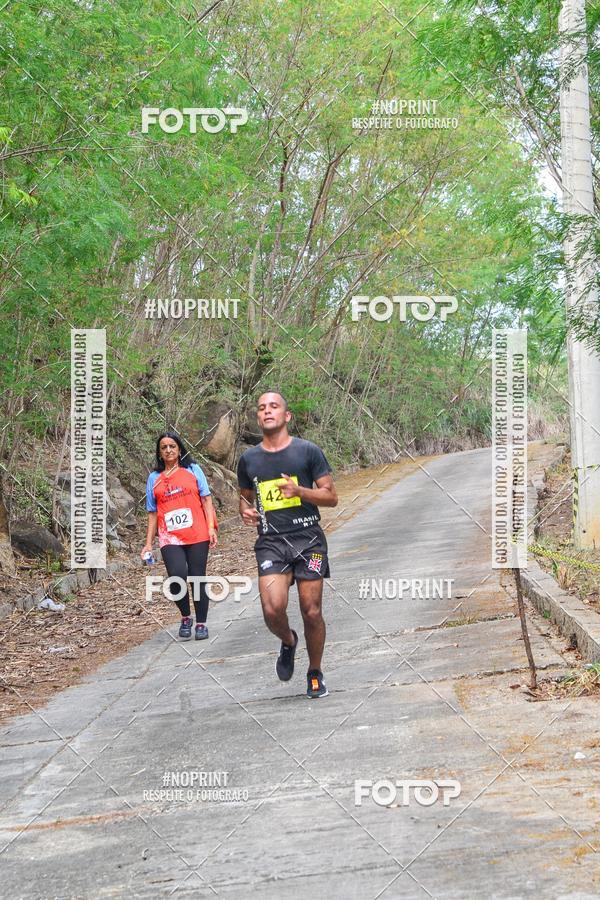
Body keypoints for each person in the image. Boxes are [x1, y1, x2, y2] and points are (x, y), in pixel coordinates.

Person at [237, 391, 337, 698]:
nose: (267, 411)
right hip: (271, 543)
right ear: (258, 417)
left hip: (308, 540)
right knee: (272, 608)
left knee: (311, 610)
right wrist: (244, 510)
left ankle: (315, 672)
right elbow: (243, 497)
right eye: (262, 408)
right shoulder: (249, 459)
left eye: (274, 406)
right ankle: (289, 640)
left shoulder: (308, 452)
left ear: (286, 416)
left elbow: (331, 497)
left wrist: (299, 491)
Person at [141, 432, 218, 640]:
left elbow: (206, 499)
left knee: (197, 577)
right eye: (164, 447)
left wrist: (211, 527)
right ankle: (185, 616)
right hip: (169, 537)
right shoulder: (154, 479)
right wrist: (148, 543)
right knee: (176, 576)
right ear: (159, 452)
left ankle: (201, 623)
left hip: (197, 533)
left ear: (179, 449)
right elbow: (152, 512)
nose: (168, 450)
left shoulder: (193, 470)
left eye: (172, 446)